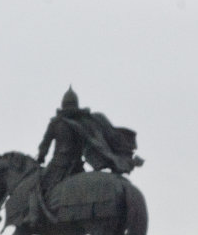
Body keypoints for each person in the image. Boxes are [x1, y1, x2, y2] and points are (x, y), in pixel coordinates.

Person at [23, 87, 144, 225]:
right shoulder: (82, 122)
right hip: (76, 167)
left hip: (58, 166)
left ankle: (33, 216)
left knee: (36, 184)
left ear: (63, 105)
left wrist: (40, 158)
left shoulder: (56, 123)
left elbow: (45, 145)